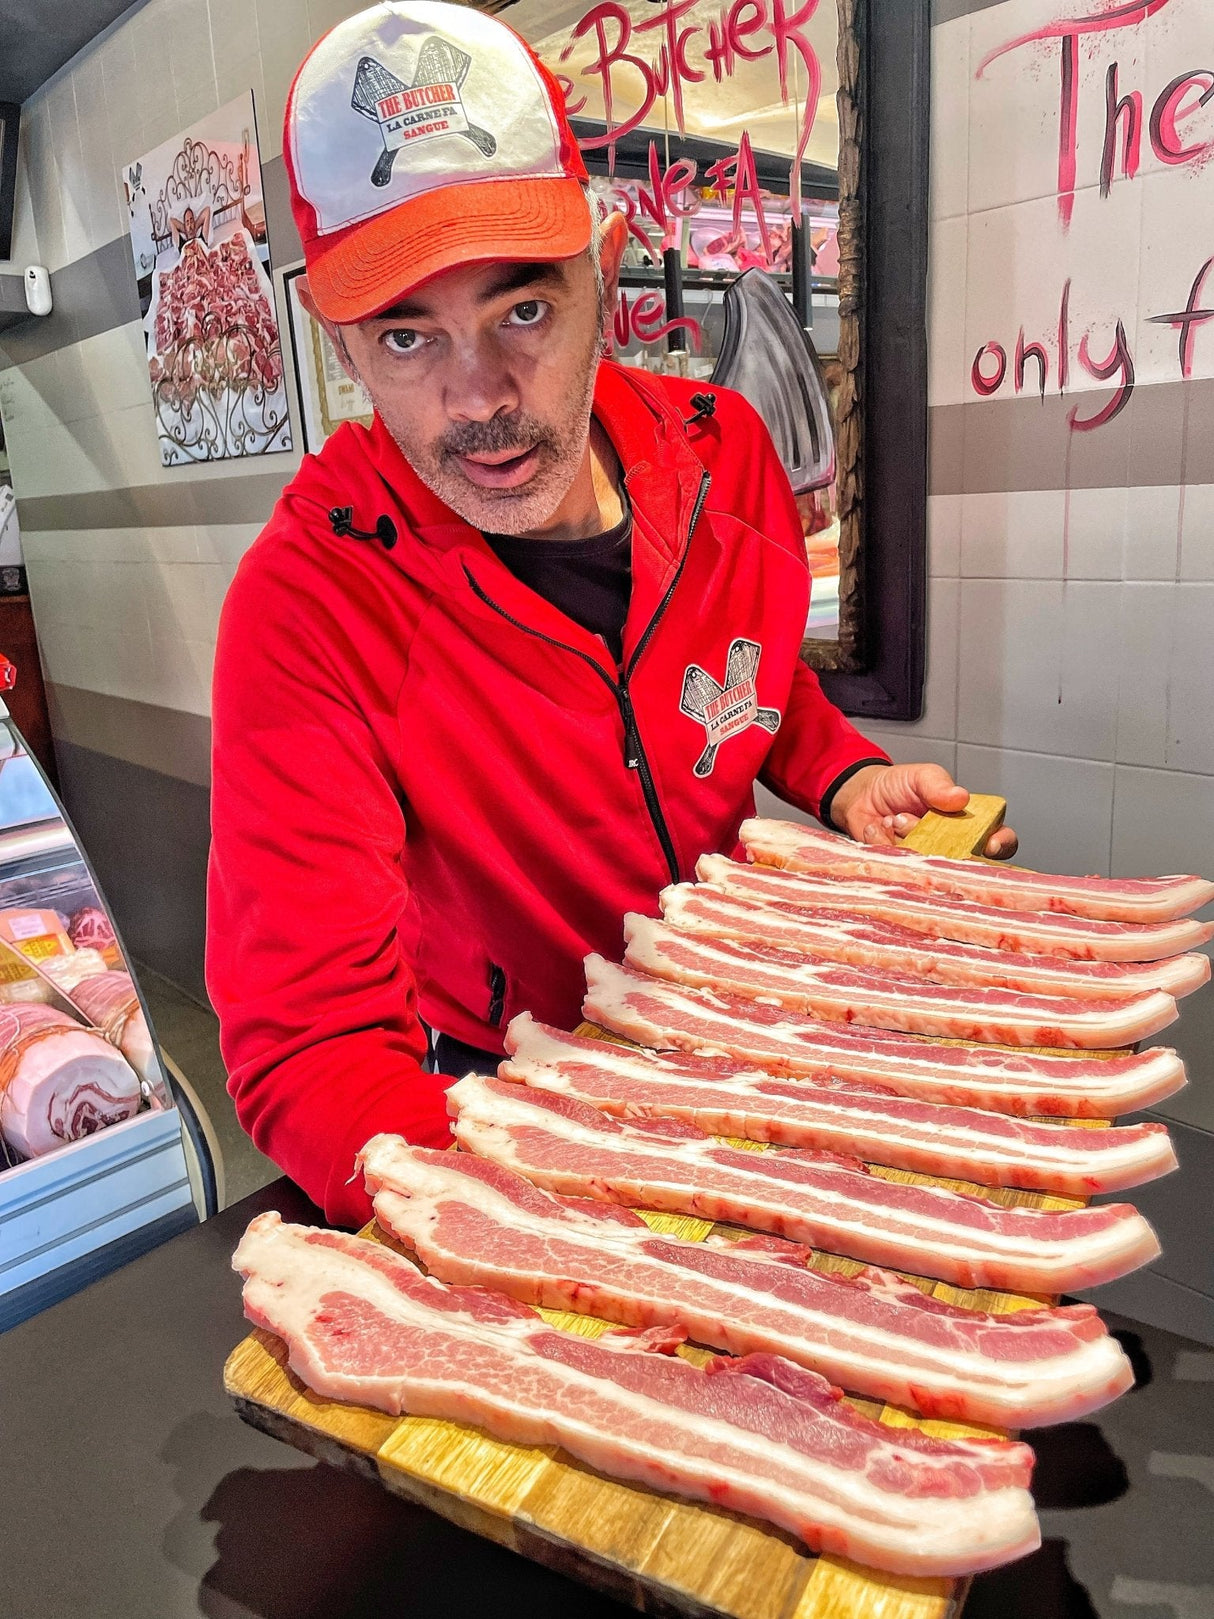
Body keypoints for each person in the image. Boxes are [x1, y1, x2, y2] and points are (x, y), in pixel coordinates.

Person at [207, 0, 1017, 1227]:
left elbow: (750, 675)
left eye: (522, 311)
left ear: (603, 257)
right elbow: (310, 1047)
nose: (477, 398)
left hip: (729, 1011)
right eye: (407, 337)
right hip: (506, 1083)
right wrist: (527, 1220)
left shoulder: (720, 451)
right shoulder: (311, 601)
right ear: (343, 346)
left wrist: (843, 776)